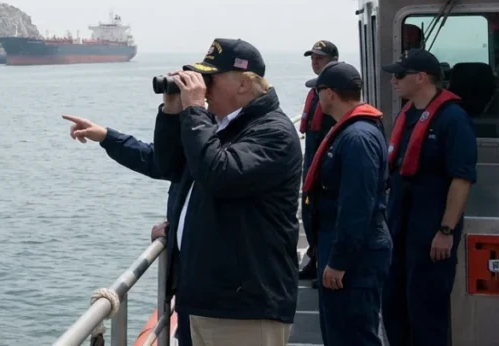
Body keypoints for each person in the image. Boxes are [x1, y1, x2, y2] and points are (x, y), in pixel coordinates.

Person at [157, 38, 300, 346]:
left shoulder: (273, 133)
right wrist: (172, 111)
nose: (203, 88)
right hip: (207, 299)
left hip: (242, 309)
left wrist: (194, 110)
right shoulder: (224, 127)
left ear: (244, 85)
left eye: (211, 79)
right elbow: (170, 166)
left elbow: (219, 175)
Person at [61, 115, 193, 346]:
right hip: (192, 289)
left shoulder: (224, 136)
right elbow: (158, 160)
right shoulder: (203, 139)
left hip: (215, 292)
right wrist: (106, 137)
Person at [380, 49, 477, 346]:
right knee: (395, 308)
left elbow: (461, 179)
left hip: (431, 233)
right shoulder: (407, 116)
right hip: (399, 229)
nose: (394, 81)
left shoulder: (453, 119)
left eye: (399, 75)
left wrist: (446, 230)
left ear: (421, 78)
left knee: (427, 314)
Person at [301, 61, 391, 346]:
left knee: (354, 335)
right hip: (344, 247)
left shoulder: (356, 138)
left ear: (329, 94)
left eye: (318, 91)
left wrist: (338, 261)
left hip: (356, 257)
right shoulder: (351, 131)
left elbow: (357, 206)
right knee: (339, 332)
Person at [299, 40, 340, 283]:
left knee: (326, 214)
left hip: (327, 161)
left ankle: (326, 262)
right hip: (312, 159)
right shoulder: (315, 92)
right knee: (309, 211)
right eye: (312, 58)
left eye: (319, 58)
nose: (314, 62)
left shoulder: (336, 92)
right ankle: (314, 258)